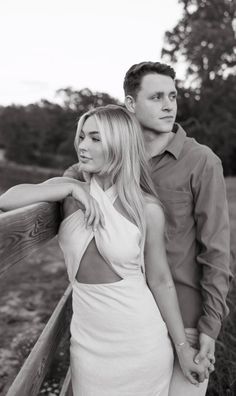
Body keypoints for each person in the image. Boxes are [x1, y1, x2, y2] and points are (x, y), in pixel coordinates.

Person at [0, 105, 210, 396]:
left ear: (120, 143)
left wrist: (183, 349)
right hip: (89, 348)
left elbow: (161, 282)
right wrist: (73, 190)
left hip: (141, 343)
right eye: (82, 137)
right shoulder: (68, 190)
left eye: (95, 138)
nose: (83, 146)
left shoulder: (146, 209)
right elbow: (9, 199)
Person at [64, 62, 231, 396]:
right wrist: (73, 185)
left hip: (185, 319)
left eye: (172, 96)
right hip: (122, 326)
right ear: (130, 104)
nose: (169, 105)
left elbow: (216, 251)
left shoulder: (201, 161)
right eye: (156, 97)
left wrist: (209, 328)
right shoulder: (103, 165)